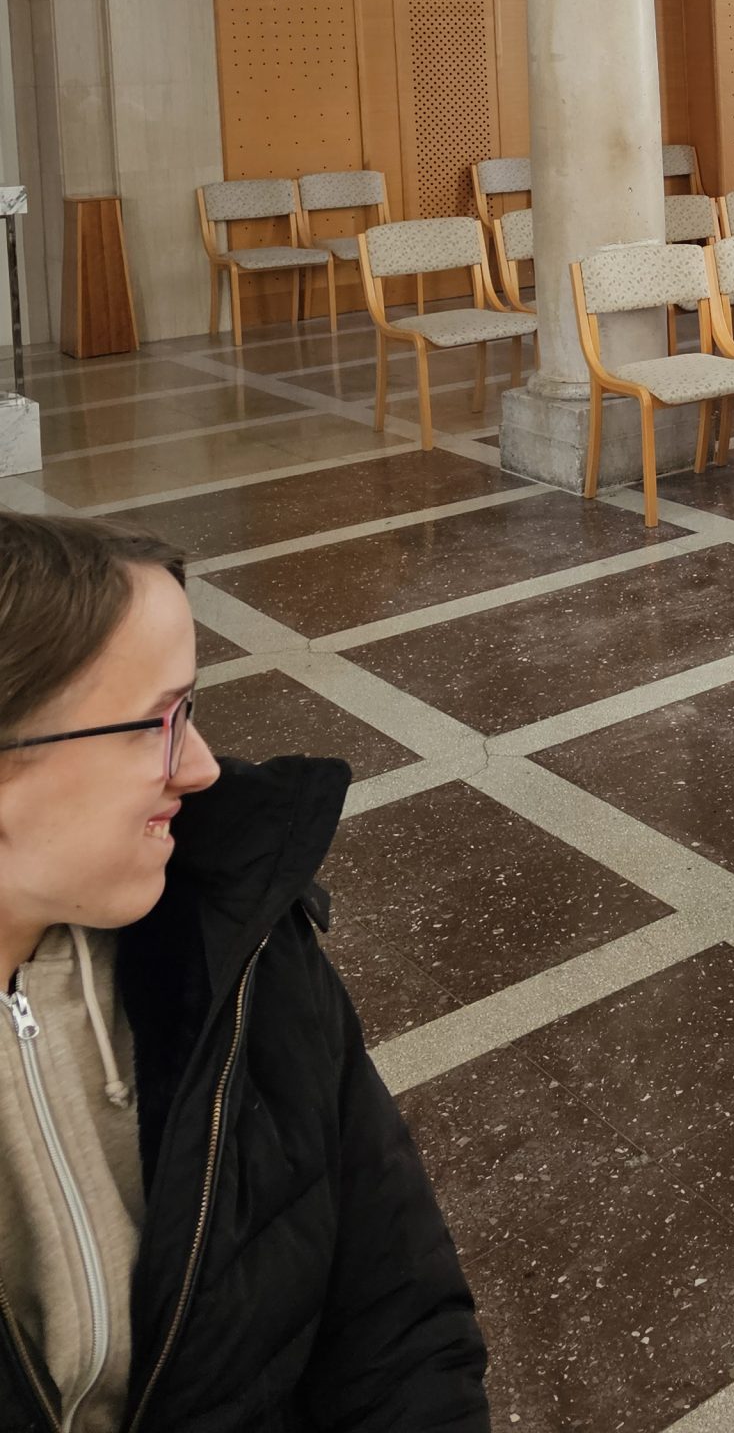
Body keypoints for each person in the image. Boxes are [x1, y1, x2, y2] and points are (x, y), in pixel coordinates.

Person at [0, 510, 489, 1432]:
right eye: (158, 722)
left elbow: (397, 1312)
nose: (200, 768)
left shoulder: (245, 943)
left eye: (191, 712)